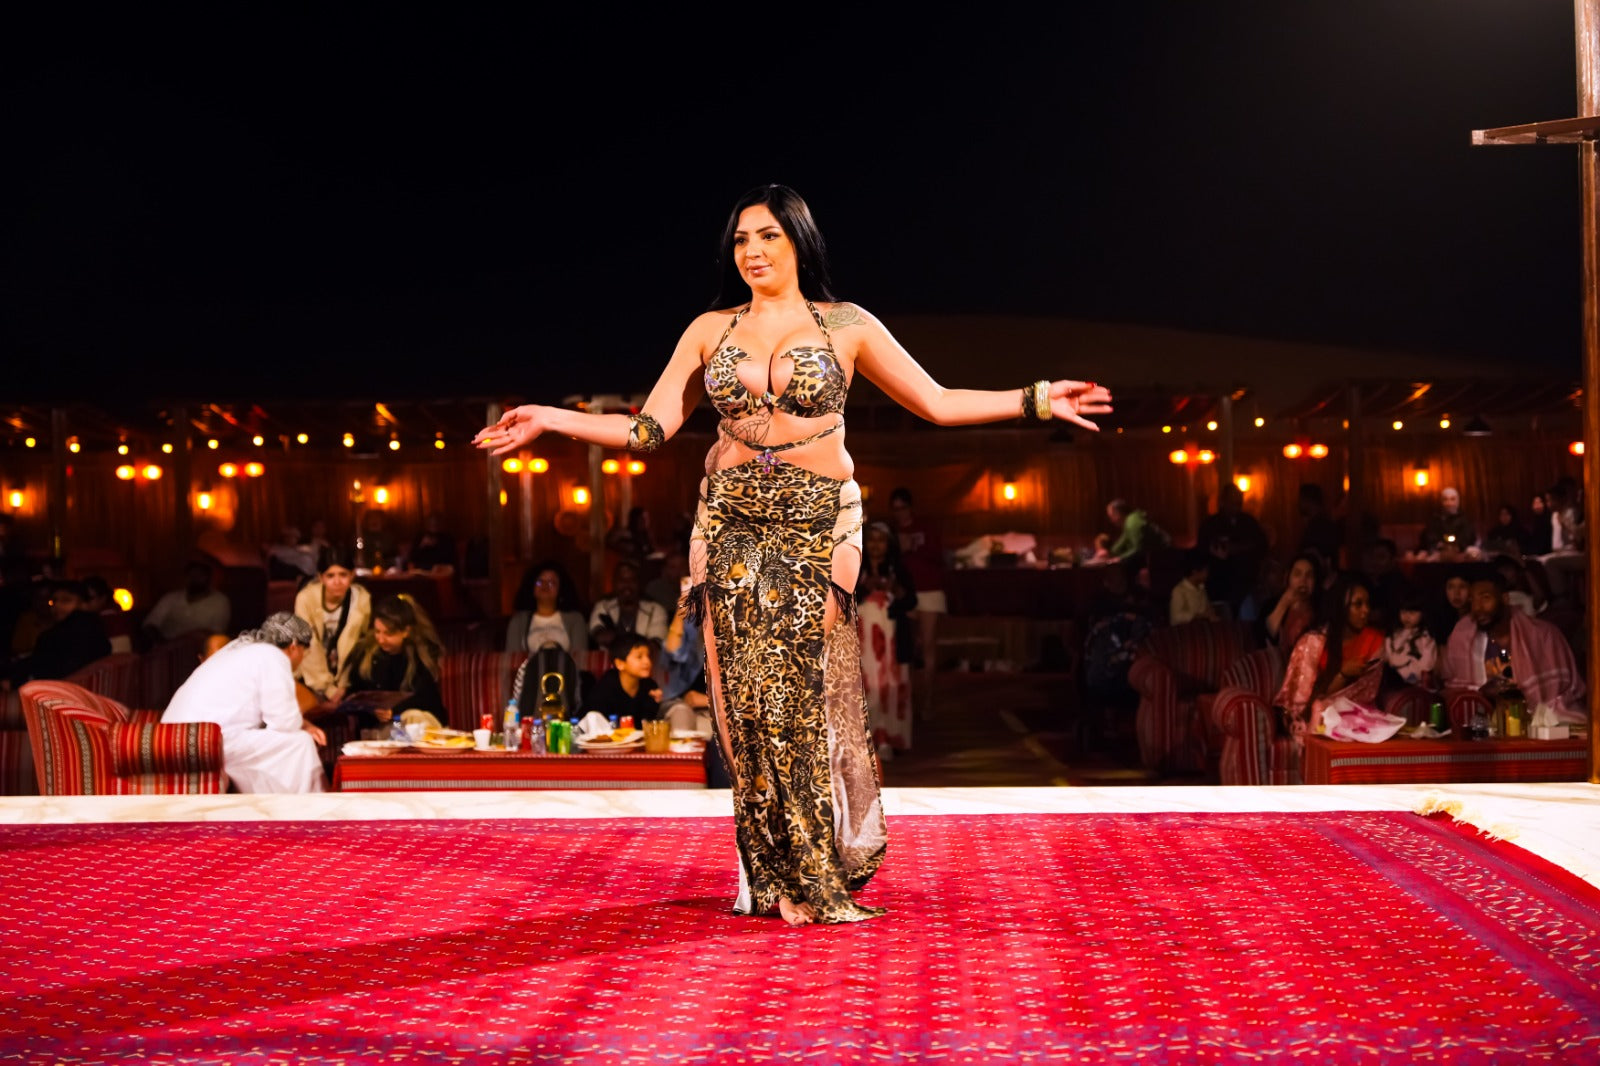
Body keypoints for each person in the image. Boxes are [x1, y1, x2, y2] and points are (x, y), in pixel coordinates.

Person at [475, 183, 1111, 925]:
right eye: (741, 239)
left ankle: (815, 867)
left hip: (818, 522)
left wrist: (1036, 398)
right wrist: (551, 419)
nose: (752, 251)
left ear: (799, 242)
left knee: (797, 696)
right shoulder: (711, 329)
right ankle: (770, 874)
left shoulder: (847, 325)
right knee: (742, 703)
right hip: (730, 520)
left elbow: (936, 402)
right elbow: (649, 430)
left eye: (768, 236)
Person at [161, 613, 327, 793]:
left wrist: (301, 723)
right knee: (300, 743)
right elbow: (284, 723)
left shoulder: (237, 647)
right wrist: (304, 726)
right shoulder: (273, 655)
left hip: (172, 738)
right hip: (203, 741)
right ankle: (312, 815)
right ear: (294, 647)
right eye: (305, 652)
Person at [1442, 571, 1585, 724]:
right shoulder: (1463, 636)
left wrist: (1519, 699)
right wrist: (1483, 693)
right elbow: (1455, 689)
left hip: (1543, 723)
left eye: (1485, 598)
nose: (1477, 608)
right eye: (1472, 601)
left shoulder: (1543, 636)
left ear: (1504, 599)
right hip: (1483, 726)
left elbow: (1561, 694)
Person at [1274, 573, 1385, 755]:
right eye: (1358, 604)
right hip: (1311, 716)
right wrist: (1342, 675)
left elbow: (1367, 694)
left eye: (1368, 604)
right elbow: (1302, 704)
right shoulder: (1313, 643)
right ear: (1341, 607)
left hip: (1357, 718)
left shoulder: (1373, 640)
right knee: (1321, 709)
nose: (1366, 610)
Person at [856, 520, 917, 761]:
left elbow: (911, 601)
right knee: (866, 687)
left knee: (891, 687)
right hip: (864, 641)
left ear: (889, 544)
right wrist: (863, 590)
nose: (875, 546)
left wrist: (898, 593)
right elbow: (841, 598)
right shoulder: (856, 567)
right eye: (871, 540)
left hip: (891, 640)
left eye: (881, 541)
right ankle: (866, 739)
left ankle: (890, 738)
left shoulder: (899, 570)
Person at [345, 593, 446, 728]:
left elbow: (426, 699)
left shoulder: (420, 655)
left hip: (411, 722)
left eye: (388, 633)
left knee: (414, 717)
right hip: (377, 728)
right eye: (377, 631)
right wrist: (372, 710)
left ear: (406, 631)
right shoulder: (366, 652)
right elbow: (354, 694)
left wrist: (395, 711)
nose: (380, 639)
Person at [889, 487, 944, 719]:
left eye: (903, 508)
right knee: (906, 647)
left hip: (929, 589)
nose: (900, 513)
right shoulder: (891, 533)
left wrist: (914, 546)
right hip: (904, 593)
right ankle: (909, 701)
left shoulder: (927, 528)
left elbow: (938, 555)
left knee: (928, 644)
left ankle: (928, 701)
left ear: (910, 507)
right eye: (896, 510)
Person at [293, 546, 373, 706]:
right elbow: (308, 645)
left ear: (352, 575)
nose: (337, 582)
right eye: (330, 576)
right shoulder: (305, 599)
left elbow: (356, 644)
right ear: (320, 578)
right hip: (310, 676)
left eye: (343, 575)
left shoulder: (361, 599)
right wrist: (328, 689)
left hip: (345, 679)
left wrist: (343, 686)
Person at [7, 580, 111, 684]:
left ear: (85, 604)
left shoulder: (68, 633)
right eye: (54, 601)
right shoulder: (96, 627)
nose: (57, 606)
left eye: (66, 600)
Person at [1195, 483, 1268, 614]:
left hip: (1246, 585)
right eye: (1232, 503)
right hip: (1220, 585)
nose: (1236, 506)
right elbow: (1202, 550)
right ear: (1223, 502)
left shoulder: (1249, 522)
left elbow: (1262, 545)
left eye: (1239, 503)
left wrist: (1238, 548)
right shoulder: (1210, 525)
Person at [505, 561, 589, 659]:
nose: (544, 586)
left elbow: (580, 659)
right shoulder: (518, 621)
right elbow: (512, 661)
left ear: (561, 589)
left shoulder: (575, 620)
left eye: (551, 583)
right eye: (539, 582)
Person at [141, 561, 231, 645]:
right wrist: (163, 643)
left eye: (200, 575)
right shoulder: (170, 598)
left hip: (199, 649)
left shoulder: (220, 602)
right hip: (166, 648)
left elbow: (216, 635)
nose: (195, 578)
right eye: (192, 575)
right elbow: (150, 624)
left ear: (208, 578)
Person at [589, 558, 669, 651]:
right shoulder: (603, 606)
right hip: (609, 663)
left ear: (640, 583)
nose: (627, 585)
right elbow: (598, 633)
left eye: (632, 580)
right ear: (614, 583)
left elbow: (655, 643)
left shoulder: (656, 609)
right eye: (622, 580)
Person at [583, 630, 661, 724]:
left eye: (648, 656)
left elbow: (648, 722)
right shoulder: (606, 688)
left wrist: (659, 702)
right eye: (639, 657)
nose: (647, 661)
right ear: (620, 663)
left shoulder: (650, 686)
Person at [1255, 552, 1321, 653]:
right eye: (1297, 574)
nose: (1303, 580)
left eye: (1309, 575)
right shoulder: (1272, 605)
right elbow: (1262, 639)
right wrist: (1283, 604)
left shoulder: (1321, 608)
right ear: (1288, 577)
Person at [1382, 586, 1437, 692]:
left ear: (1423, 613)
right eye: (1403, 612)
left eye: (1412, 613)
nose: (1406, 616)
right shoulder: (1394, 635)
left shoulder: (1425, 637)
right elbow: (1387, 656)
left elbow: (1428, 662)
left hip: (1417, 685)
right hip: (1394, 684)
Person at [1104, 498, 1166, 571]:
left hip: (1162, 559)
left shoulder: (1133, 522)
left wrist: (1120, 559)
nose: (1111, 521)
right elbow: (1122, 541)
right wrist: (1109, 553)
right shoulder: (1130, 520)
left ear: (1118, 514)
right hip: (1157, 558)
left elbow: (1139, 549)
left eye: (1111, 516)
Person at [1295, 484, 1343, 573]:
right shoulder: (1319, 523)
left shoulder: (1319, 526)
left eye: (1301, 499)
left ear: (1309, 501)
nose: (1298, 503)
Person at [1419, 487, 1477, 556]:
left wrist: (1456, 547)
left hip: (1461, 556)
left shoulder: (1466, 520)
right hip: (1439, 557)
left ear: (1458, 501)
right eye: (1445, 499)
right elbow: (1429, 540)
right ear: (1441, 502)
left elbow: (1468, 539)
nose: (1449, 503)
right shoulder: (1434, 520)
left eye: (1452, 499)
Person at [1168, 549, 1218, 626]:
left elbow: (1208, 609)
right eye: (1205, 571)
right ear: (1195, 572)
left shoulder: (1201, 587)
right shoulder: (1179, 590)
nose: (1207, 574)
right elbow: (1175, 618)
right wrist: (1199, 615)